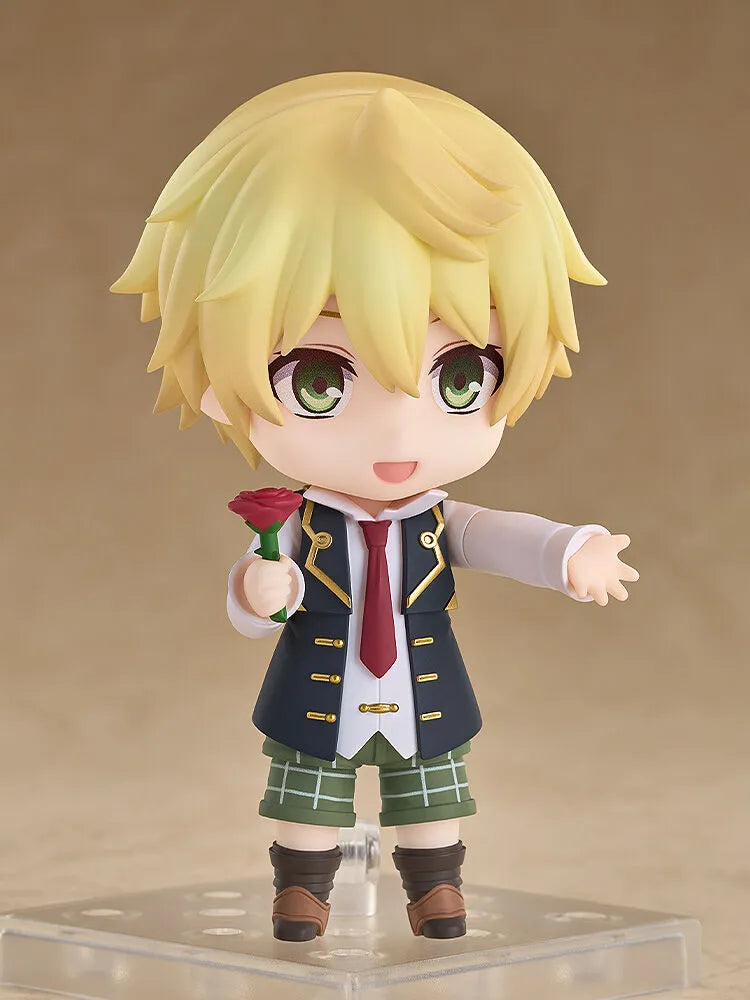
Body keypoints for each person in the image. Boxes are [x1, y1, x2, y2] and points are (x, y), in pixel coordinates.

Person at [112, 71, 639, 942]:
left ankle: (436, 888)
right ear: (217, 382)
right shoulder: (297, 522)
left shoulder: (435, 519)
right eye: (319, 382)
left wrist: (569, 550)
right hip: (314, 688)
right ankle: (302, 891)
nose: (399, 429)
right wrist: (258, 592)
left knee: (432, 794)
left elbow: (494, 536)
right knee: (306, 797)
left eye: (460, 377)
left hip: (426, 687)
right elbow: (255, 590)